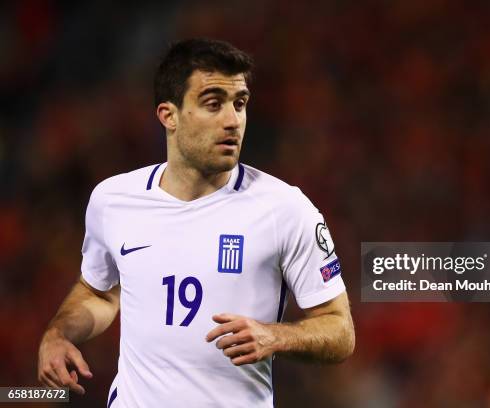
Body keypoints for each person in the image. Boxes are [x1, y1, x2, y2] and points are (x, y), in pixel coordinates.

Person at [37, 38, 355, 407]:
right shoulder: (113, 200)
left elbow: (339, 329)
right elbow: (100, 293)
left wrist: (275, 336)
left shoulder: (285, 209)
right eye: (213, 104)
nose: (232, 120)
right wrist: (57, 334)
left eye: (240, 104)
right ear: (168, 115)